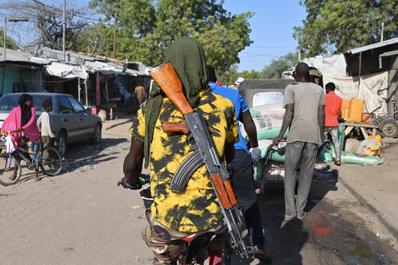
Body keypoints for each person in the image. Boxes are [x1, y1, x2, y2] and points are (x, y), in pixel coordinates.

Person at [119, 38, 238, 265]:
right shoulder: (224, 106)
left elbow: (134, 161)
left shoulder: (151, 109)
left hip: (169, 222)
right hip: (213, 217)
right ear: (201, 65)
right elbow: (229, 155)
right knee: (217, 253)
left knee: (158, 248)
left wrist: (130, 178)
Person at [207, 66, 271, 263]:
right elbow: (249, 123)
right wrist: (254, 146)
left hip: (210, 158)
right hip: (238, 154)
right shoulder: (232, 94)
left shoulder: (193, 98)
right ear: (216, 78)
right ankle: (257, 245)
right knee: (249, 201)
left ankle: (219, 248)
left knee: (215, 203)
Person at [273, 62, 325, 224]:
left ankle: (290, 213)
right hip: (312, 137)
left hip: (295, 135)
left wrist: (280, 135)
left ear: (296, 75)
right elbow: (321, 114)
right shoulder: (319, 90)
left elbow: (289, 113)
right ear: (308, 75)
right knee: (306, 175)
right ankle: (300, 211)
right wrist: (321, 136)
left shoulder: (291, 88)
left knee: (290, 174)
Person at [2, 94, 41, 181]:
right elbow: (9, 119)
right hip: (20, 134)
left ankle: (36, 174)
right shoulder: (16, 110)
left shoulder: (32, 110)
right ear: (24, 101)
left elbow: (31, 122)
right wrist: (4, 128)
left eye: (31, 100)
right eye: (28, 100)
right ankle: (15, 173)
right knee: (17, 154)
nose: (31, 102)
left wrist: (23, 128)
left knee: (34, 154)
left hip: (31, 134)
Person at [324, 82, 343, 166]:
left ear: (328, 89)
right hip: (334, 123)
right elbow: (339, 113)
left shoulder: (324, 98)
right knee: (336, 142)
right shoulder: (339, 99)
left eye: (325, 89)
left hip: (324, 123)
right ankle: (338, 159)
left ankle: (318, 157)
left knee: (320, 140)